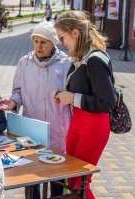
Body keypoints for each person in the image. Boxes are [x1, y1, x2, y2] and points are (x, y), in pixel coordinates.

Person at [0, 21, 72, 198]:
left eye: (43, 42)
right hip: (32, 132)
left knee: (57, 176)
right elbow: (18, 91)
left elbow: (71, 95)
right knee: (32, 176)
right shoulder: (25, 63)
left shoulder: (66, 64)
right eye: (35, 41)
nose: (38, 46)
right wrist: (13, 103)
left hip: (57, 130)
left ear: (53, 42)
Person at [54, 11, 116, 199]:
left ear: (75, 33)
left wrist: (72, 98)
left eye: (62, 37)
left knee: (79, 182)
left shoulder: (95, 59)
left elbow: (107, 101)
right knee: (72, 179)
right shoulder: (80, 57)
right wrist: (65, 96)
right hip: (79, 123)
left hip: (93, 126)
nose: (61, 43)